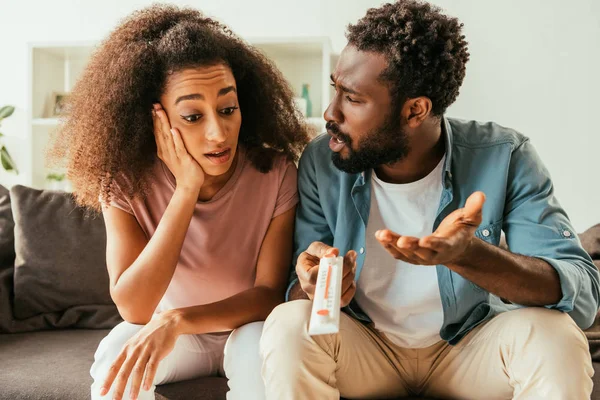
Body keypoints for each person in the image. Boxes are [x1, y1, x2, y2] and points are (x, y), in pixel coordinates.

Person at [260, 1, 600, 399]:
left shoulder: (504, 155)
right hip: (366, 348)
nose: (330, 111)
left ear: (415, 110)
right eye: (336, 89)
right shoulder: (324, 159)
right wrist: (311, 282)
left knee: (554, 337)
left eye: (352, 99)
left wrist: (468, 255)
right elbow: (296, 291)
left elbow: (583, 296)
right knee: (289, 324)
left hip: (470, 349)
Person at [50, 5, 309, 400]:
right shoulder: (124, 183)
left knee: (265, 360)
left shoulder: (275, 173)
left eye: (228, 109)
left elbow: (269, 293)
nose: (217, 133)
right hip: (171, 334)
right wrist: (186, 189)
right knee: (115, 356)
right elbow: (135, 308)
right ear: (155, 119)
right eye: (191, 116)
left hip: (245, 328)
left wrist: (176, 319)